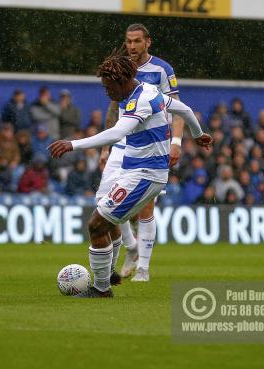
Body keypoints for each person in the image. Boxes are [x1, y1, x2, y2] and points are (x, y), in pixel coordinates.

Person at [48, 51, 211, 297]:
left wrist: (73, 144)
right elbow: (185, 110)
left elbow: (116, 133)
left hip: (145, 174)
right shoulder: (147, 91)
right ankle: (110, 275)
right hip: (134, 170)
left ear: (120, 81)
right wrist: (198, 134)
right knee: (106, 219)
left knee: (97, 224)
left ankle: (102, 288)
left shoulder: (141, 100)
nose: (106, 92)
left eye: (107, 87)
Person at [98, 23, 185, 282]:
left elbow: (178, 108)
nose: (132, 46)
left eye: (137, 41)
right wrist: (105, 147)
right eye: (128, 41)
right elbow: (113, 111)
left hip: (152, 142)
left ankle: (144, 270)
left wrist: (177, 142)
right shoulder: (121, 67)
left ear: (148, 42)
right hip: (122, 142)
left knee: (146, 206)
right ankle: (131, 247)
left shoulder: (162, 69)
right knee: (104, 201)